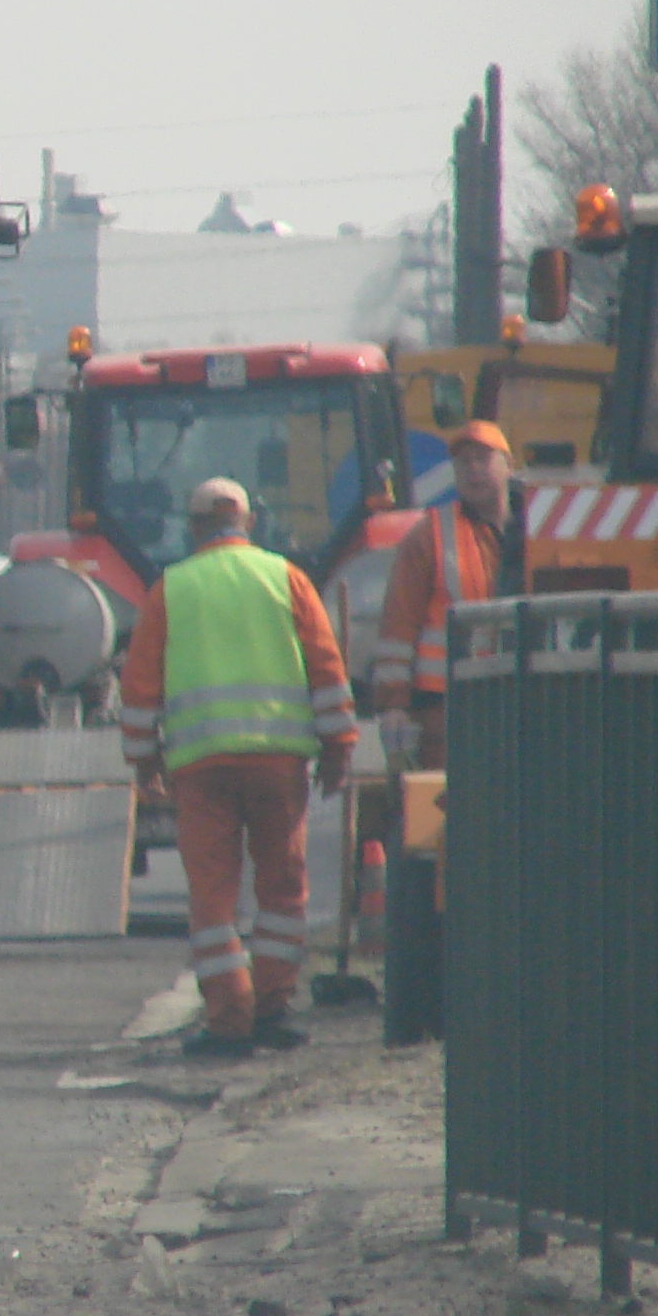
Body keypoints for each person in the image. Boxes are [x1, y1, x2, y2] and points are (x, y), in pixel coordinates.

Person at [117, 478, 356, 1058]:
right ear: (250, 521)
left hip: (202, 769)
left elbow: (140, 685)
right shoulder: (286, 579)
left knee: (213, 897)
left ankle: (228, 1019)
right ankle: (274, 1010)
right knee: (281, 887)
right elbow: (326, 668)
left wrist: (143, 757)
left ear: (195, 527)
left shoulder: (171, 589)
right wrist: (339, 746)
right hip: (278, 764)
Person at [371, 419, 513, 772]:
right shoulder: (430, 533)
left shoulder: (542, 527)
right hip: (447, 707)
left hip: (522, 696)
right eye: (463, 463)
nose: (472, 470)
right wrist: (394, 707)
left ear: (508, 466)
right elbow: (397, 626)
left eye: (482, 459)